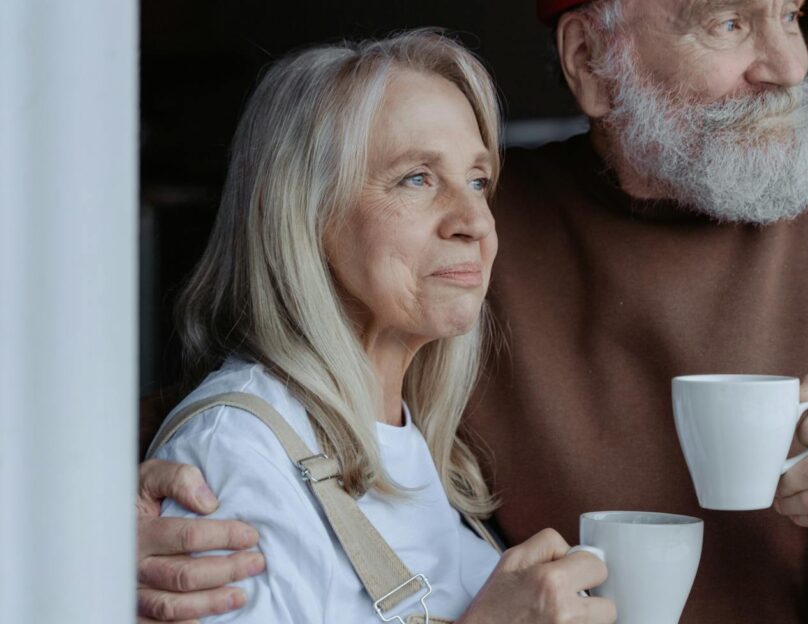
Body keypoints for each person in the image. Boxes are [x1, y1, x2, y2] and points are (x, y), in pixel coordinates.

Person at [137, 1, 808, 622]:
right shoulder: (466, 251)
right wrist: (99, 524)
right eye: (729, 22)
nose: (787, 65)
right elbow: (258, 410)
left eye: (789, 14)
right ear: (591, 59)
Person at [139, 30, 616, 624]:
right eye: (416, 178)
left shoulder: (417, 446)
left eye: (477, 180)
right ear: (303, 211)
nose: (475, 220)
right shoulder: (233, 455)